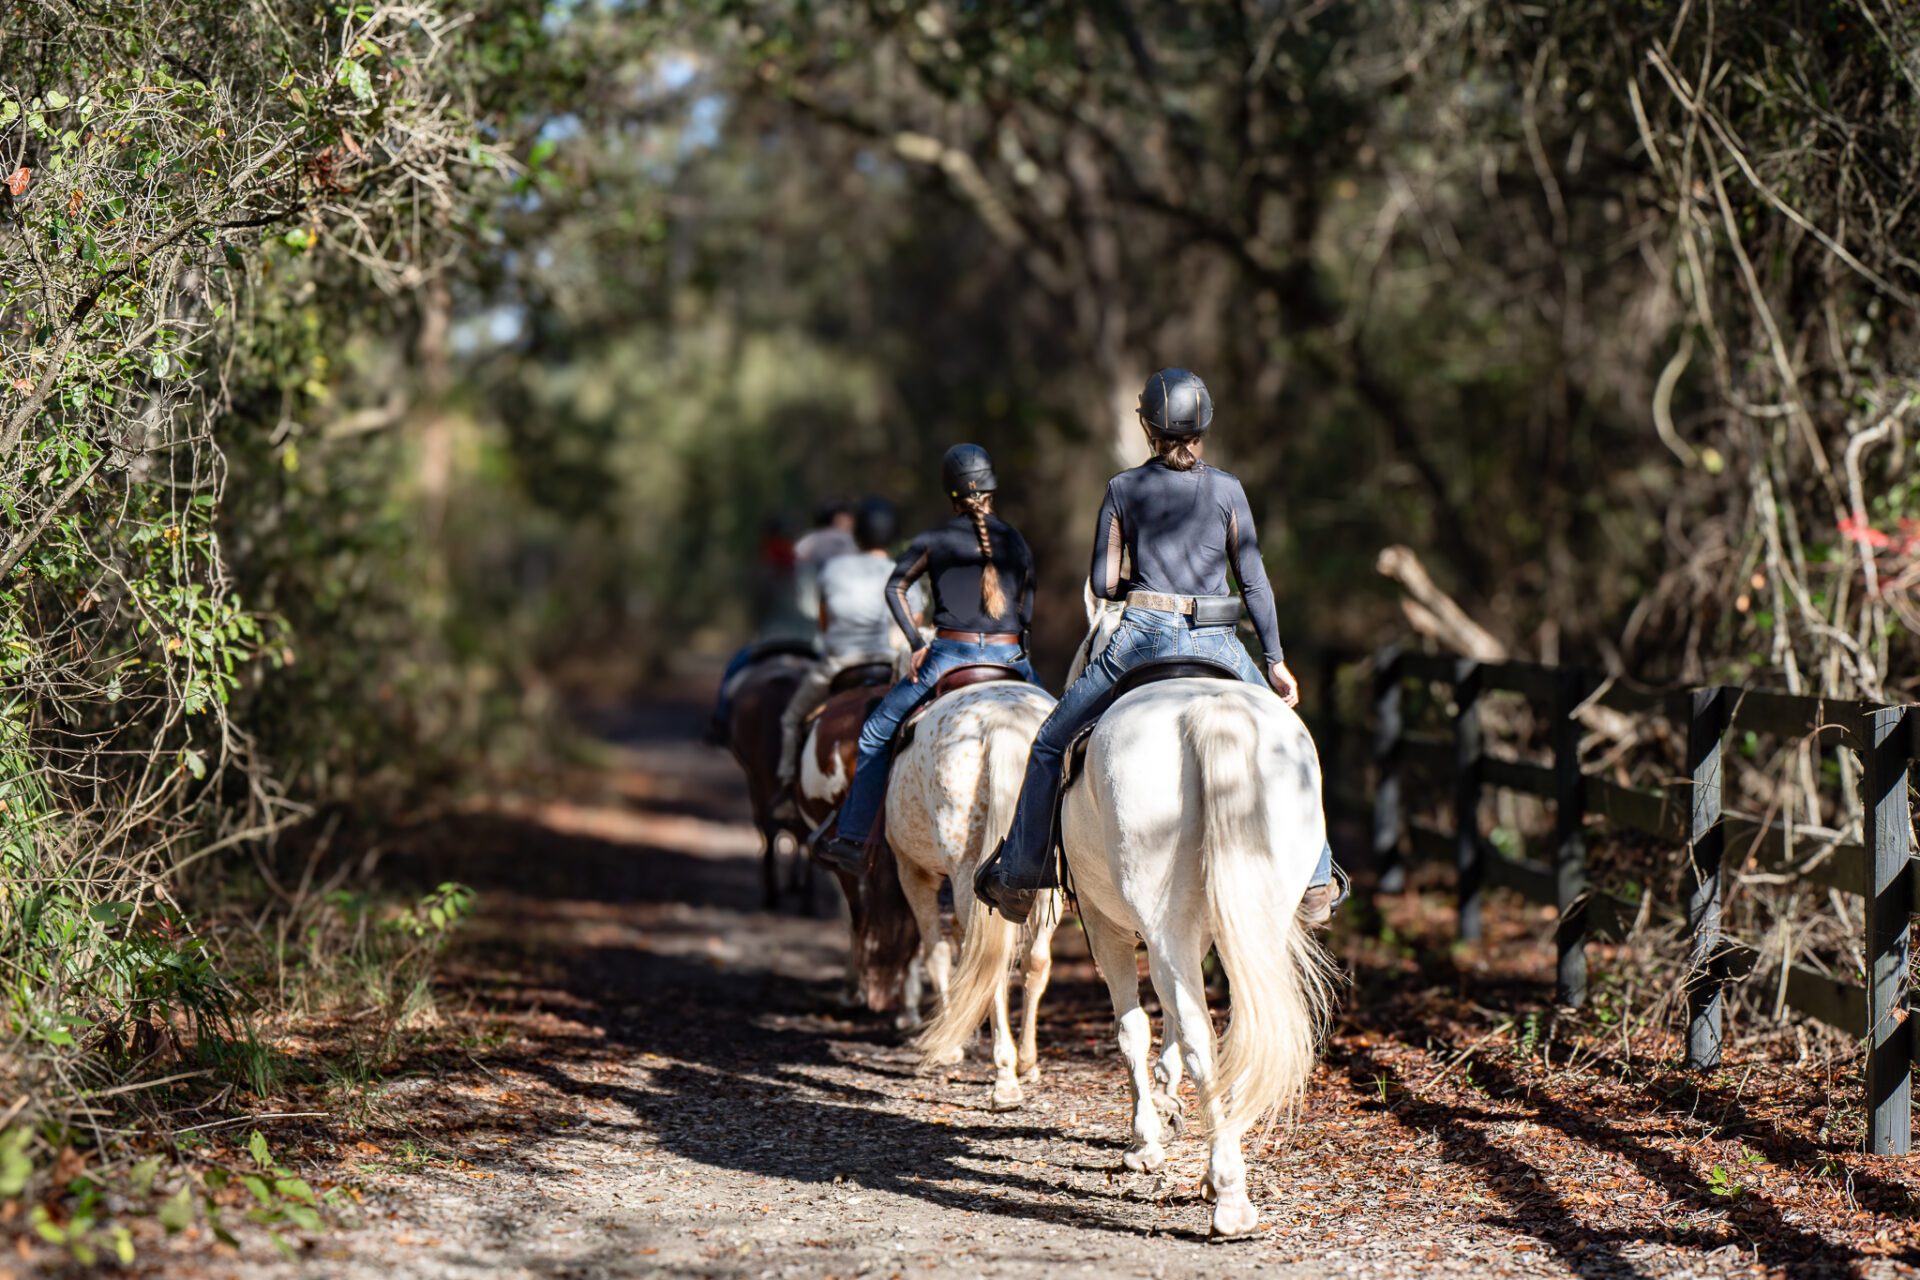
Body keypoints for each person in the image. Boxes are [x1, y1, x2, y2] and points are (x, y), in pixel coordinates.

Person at [973, 367, 1340, 925]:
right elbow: (1256, 584)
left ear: (1147, 427)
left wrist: (1141, 588)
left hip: (1141, 636)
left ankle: (1022, 876)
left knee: (1049, 743)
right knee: (1292, 738)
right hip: (1220, 640)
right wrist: (1275, 661)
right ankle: (1316, 880)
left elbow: (1101, 582)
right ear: (1205, 426)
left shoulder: (1123, 489)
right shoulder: (1229, 491)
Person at [818, 444, 1039, 870]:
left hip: (948, 657)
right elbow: (1026, 606)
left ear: (950, 494)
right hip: (1011, 658)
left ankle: (851, 837)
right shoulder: (1016, 540)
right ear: (992, 487)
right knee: (1054, 743)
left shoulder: (934, 539)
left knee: (875, 733)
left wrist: (917, 643)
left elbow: (895, 588)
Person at [769, 497, 919, 822]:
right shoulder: (903, 571)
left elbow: (823, 620)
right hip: (889, 668)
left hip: (838, 667)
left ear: (858, 536)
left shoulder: (834, 569)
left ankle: (785, 793)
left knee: (792, 719)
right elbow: (914, 623)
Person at [792, 499, 858, 620]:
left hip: (808, 609)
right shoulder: (846, 541)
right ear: (837, 519)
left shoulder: (806, 541)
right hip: (844, 611)